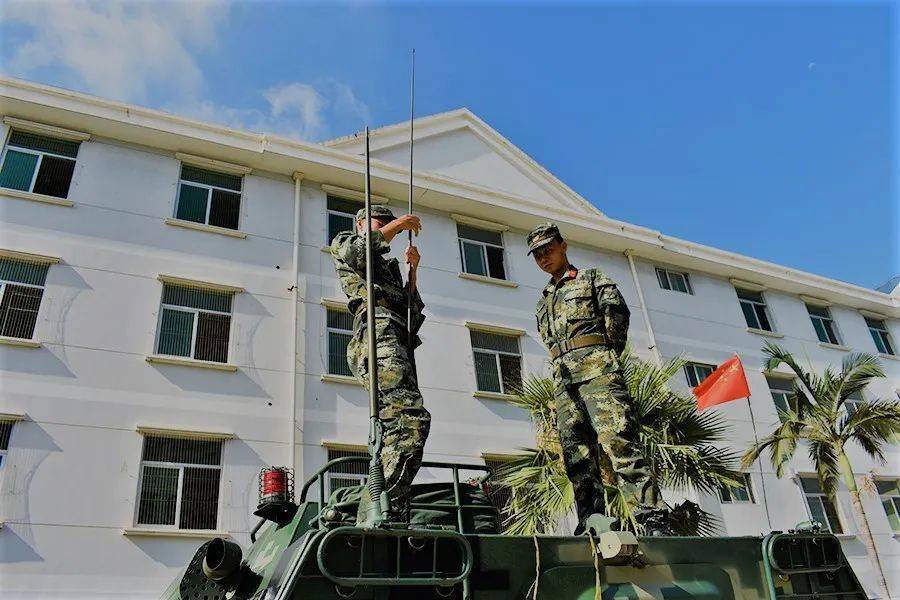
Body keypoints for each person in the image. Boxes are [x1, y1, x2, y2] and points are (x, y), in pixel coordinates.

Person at [527, 222, 648, 533]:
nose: (544, 257)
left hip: (598, 372)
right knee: (576, 454)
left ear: (563, 246)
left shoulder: (592, 278)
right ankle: (593, 520)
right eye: (537, 254)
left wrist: (603, 358)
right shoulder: (544, 300)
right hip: (564, 382)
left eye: (548, 250)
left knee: (619, 443)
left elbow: (616, 316)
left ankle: (650, 515)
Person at [330, 205, 431, 522]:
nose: (388, 227)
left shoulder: (388, 267)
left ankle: (387, 507)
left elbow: (412, 316)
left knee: (404, 426)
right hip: (377, 331)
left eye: (389, 222)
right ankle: (374, 510)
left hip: (397, 335)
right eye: (380, 222)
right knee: (409, 421)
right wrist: (399, 225)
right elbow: (361, 253)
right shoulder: (347, 240)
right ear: (362, 223)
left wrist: (412, 273)